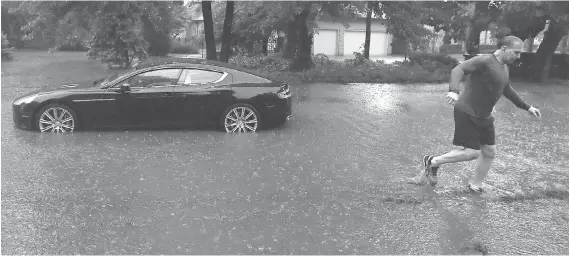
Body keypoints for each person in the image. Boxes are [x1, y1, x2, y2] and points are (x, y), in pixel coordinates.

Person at [408, 35, 542, 192]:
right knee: (472, 153)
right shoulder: (485, 61)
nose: (518, 56)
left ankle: (475, 185)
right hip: (467, 111)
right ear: (504, 49)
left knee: (489, 152)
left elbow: (506, 89)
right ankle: (432, 162)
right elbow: (458, 69)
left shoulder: (505, 68)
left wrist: (527, 107)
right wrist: (453, 91)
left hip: (484, 116)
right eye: (516, 52)